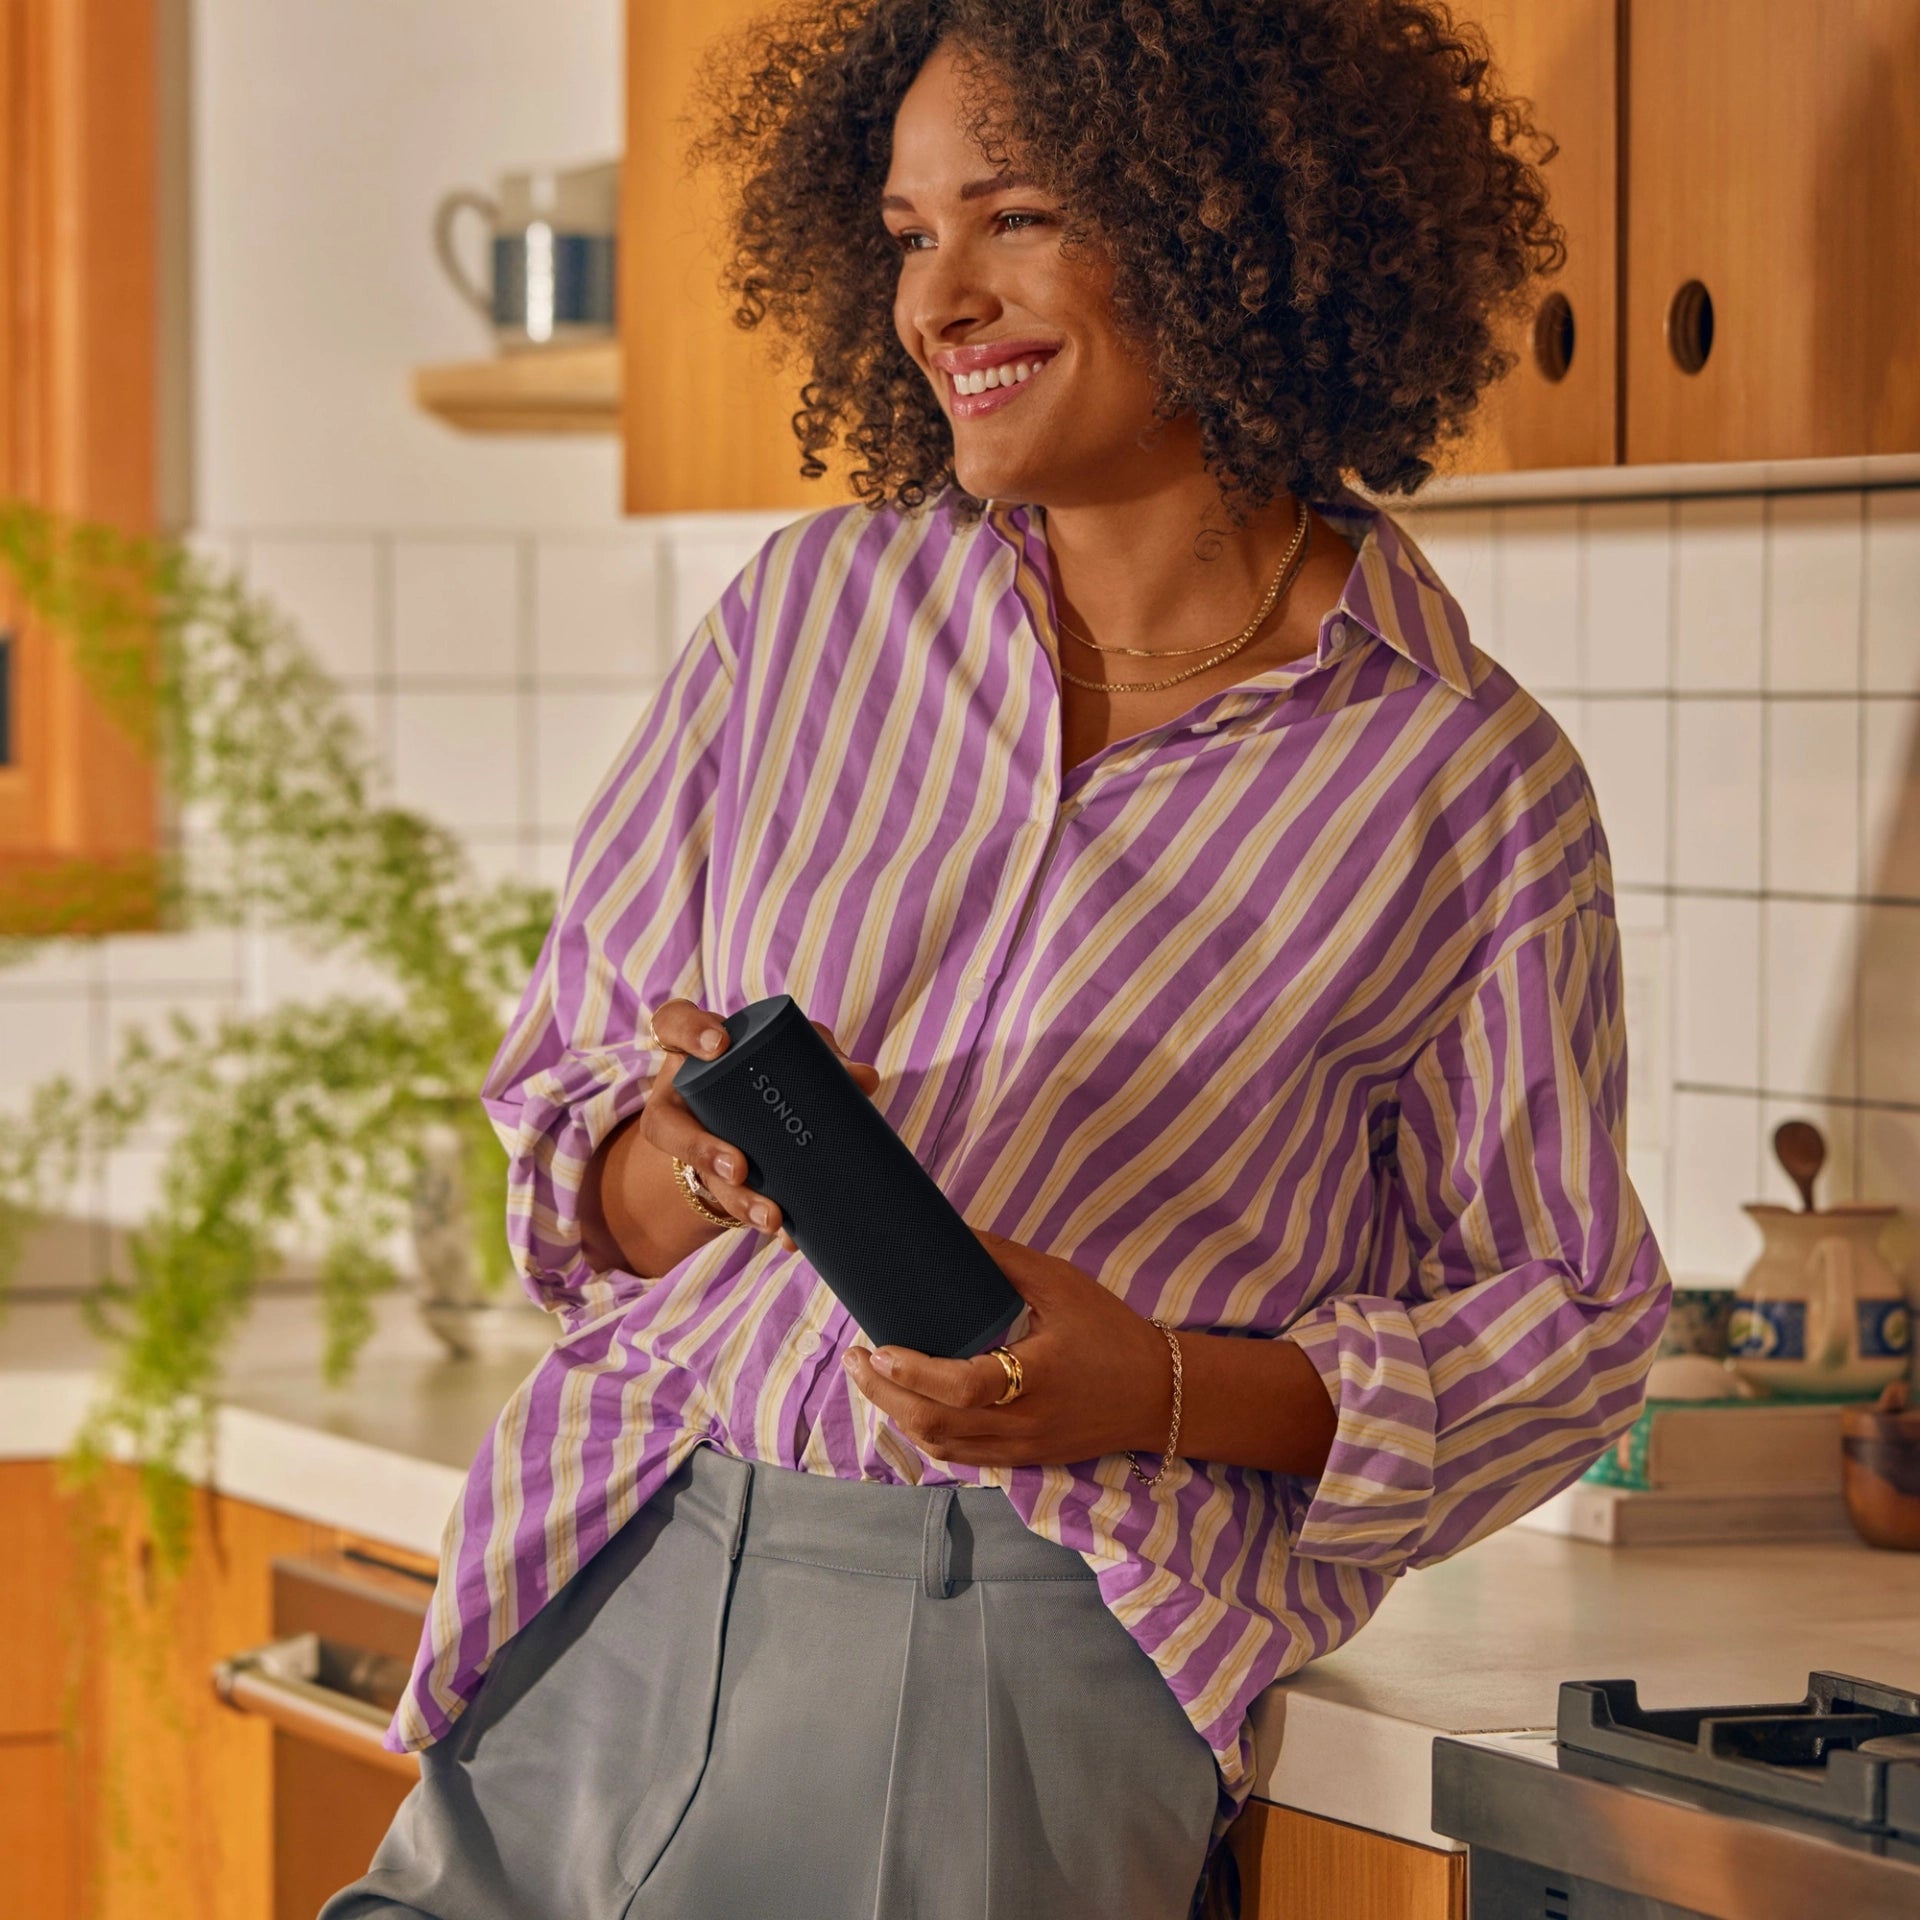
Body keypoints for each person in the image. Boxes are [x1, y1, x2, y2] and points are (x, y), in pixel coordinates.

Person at [322, 4, 1671, 1916]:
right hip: (610, 1537)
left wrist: (1157, 1391)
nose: (937, 297)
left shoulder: (1465, 784)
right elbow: (568, 1159)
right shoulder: (807, 619)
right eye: (901, 233)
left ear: (1238, 232)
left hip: (998, 1647)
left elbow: (1565, 1319)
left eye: (1013, 216)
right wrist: (710, 1161)